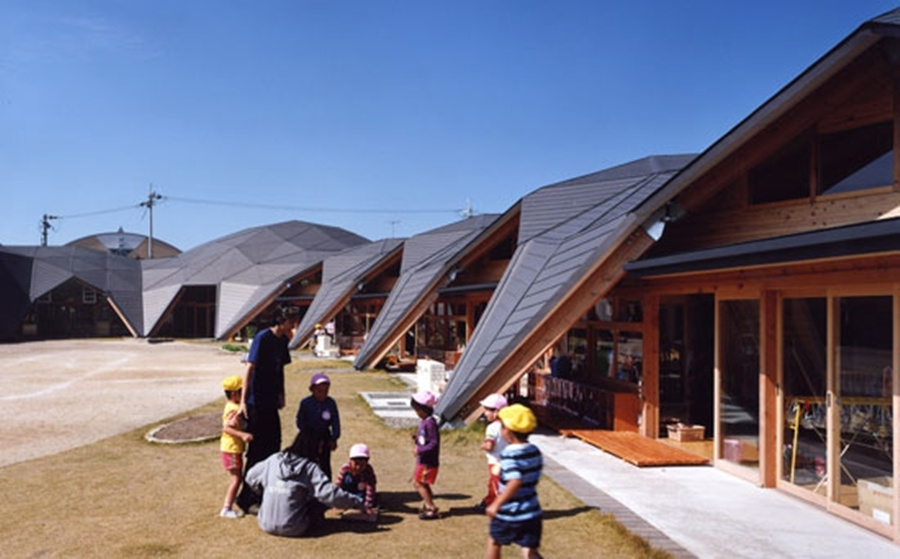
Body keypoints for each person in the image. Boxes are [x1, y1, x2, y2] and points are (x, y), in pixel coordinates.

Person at [235, 306, 298, 513]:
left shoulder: (282, 341)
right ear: (282, 320)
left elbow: (279, 370)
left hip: (271, 401)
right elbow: (249, 368)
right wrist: (243, 401)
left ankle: (264, 492)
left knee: (273, 445)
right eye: (291, 320)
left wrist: (281, 393)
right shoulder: (263, 338)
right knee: (257, 449)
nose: (294, 325)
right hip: (256, 402)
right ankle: (246, 498)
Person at [245, 433, 366, 537]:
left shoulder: (274, 460)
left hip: (265, 523)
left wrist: (266, 492)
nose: (321, 451)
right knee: (318, 499)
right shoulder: (309, 468)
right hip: (294, 527)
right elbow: (329, 494)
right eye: (320, 447)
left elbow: (250, 476)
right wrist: (356, 502)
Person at [485, 403, 544, 559]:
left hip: (509, 513)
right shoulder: (534, 451)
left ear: (508, 431)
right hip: (531, 511)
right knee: (529, 549)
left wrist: (496, 504)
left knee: (494, 541)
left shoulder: (509, 455)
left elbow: (515, 481)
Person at [219, 375, 253, 519]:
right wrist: (242, 435)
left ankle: (229, 505)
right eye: (242, 391)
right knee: (236, 478)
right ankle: (226, 508)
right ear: (234, 394)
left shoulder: (231, 406)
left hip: (233, 449)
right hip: (231, 449)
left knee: (237, 477)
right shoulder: (234, 410)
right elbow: (227, 428)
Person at [295, 372, 341, 479]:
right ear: (312, 390)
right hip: (309, 436)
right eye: (319, 391)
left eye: (325, 391)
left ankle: (325, 482)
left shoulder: (330, 403)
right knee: (309, 460)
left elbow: (335, 421)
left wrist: (334, 438)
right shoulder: (306, 403)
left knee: (324, 462)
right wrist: (304, 434)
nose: (322, 394)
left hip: (324, 436)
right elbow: (300, 419)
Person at [410, 390, 440, 520]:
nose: (416, 413)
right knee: (422, 483)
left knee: (418, 483)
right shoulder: (425, 422)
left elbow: (434, 443)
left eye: (417, 410)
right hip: (423, 460)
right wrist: (417, 439)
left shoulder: (430, 423)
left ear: (423, 410)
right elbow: (426, 439)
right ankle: (428, 503)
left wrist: (420, 450)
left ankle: (430, 507)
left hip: (427, 461)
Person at [476, 393, 508, 510]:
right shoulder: (509, 425)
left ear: (496, 412)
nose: (485, 413)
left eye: (487, 410)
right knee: (499, 482)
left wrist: (483, 446)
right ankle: (489, 500)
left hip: (495, 461)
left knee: (495, 483)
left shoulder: (492, 428)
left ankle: (498, 505)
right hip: (507, 460)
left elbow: (490, 446)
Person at [334, 443, 378, 521]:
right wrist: (336, 503)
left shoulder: (368, 471)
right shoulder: (345, 469)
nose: (358, 467)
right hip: (347, 492)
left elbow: (370, 488)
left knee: (369, 503)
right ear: (350, 461)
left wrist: (367, 506)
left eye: (362, 464)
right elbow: (338, 485)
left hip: (360, 494)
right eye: (356, 463)